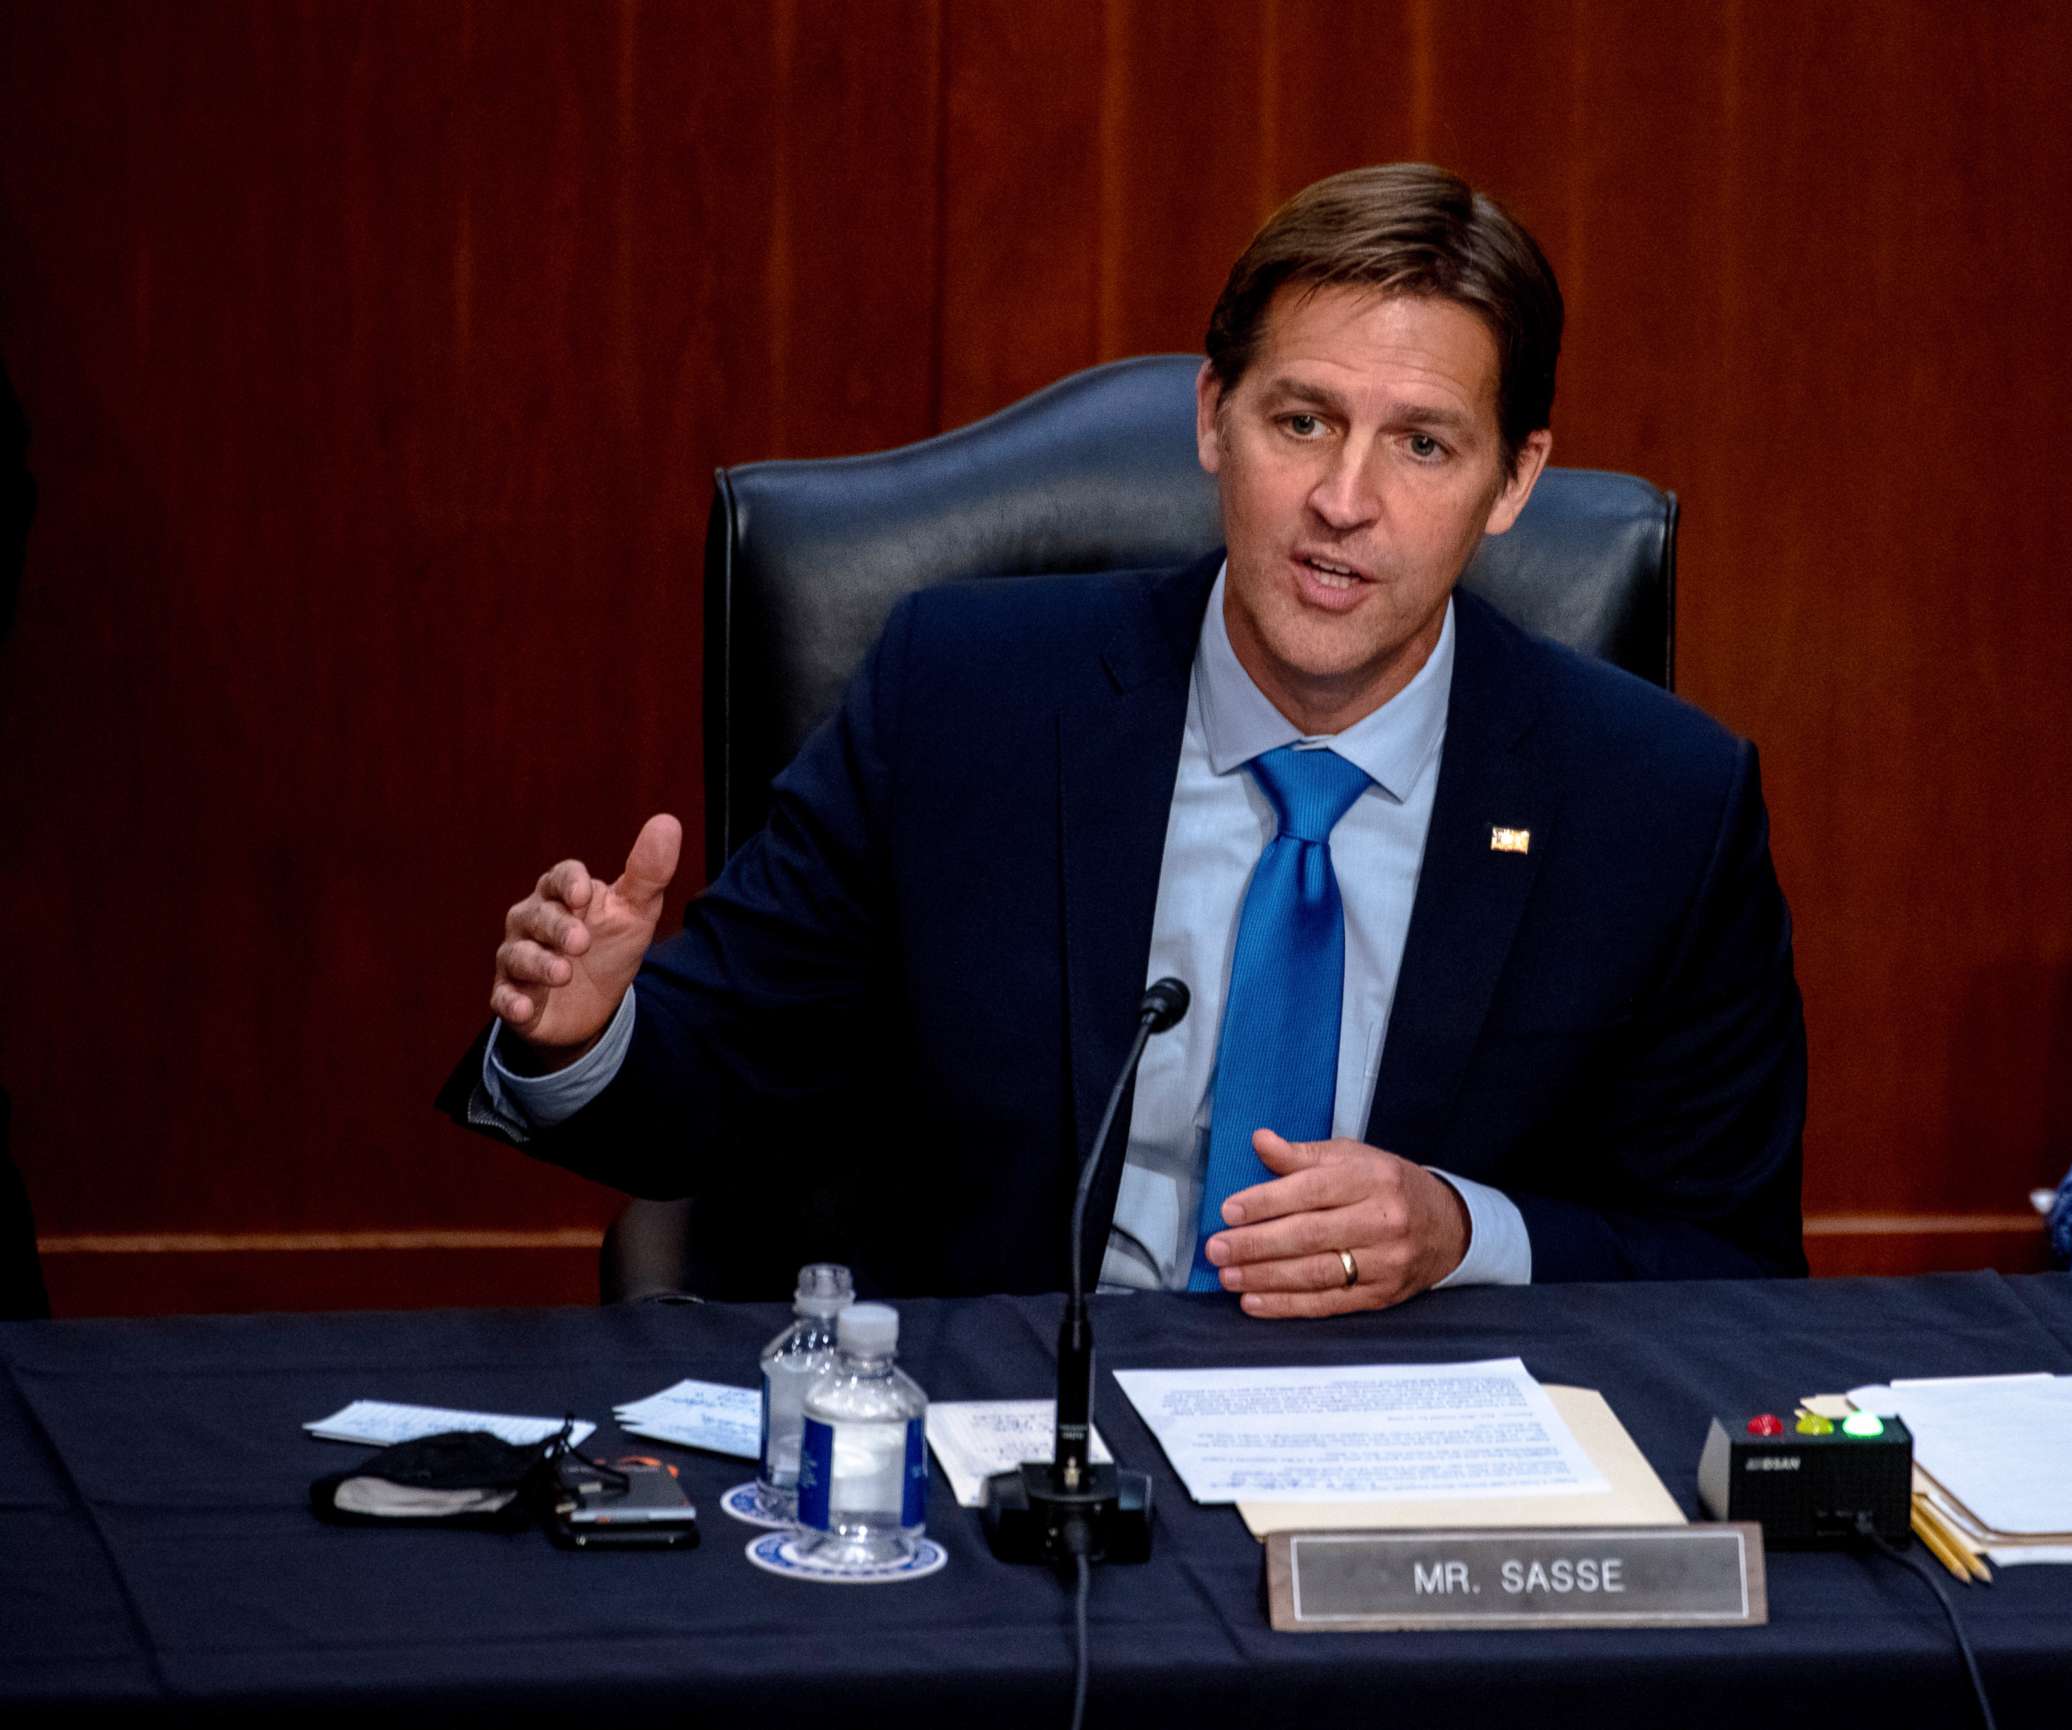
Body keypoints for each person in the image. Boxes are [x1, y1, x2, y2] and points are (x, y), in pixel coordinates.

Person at [440, 163, 1805, 1315]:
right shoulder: (963, 703)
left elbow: (1732, 1270)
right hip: (1013, 1460)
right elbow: (715, 1077)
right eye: (1302, 419)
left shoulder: (1658, 806)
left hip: (1420, 1486)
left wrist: (1465, 1232)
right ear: (1215, 420)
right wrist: (583, 1033)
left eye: (1425, 447)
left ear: (1514, 483)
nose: (1344, 499)